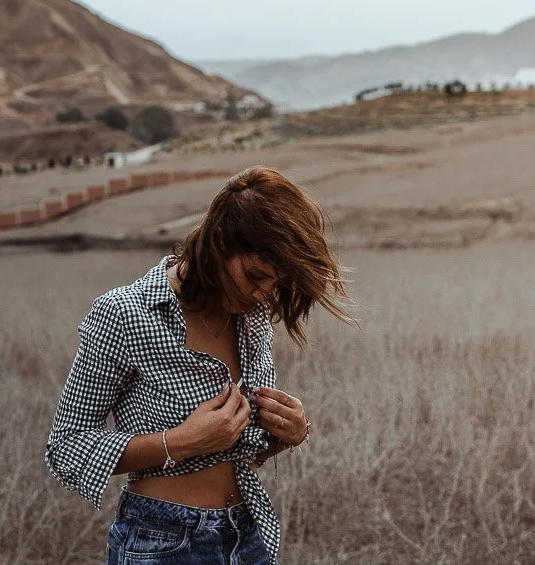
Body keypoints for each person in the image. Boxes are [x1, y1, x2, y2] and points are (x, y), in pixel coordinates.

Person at [45, 165, 355, 564]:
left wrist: (290, 433)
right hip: (162, 541)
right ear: (220, 239)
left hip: (249, 535)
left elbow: (234, 449)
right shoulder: (125, 313)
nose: (263, 293)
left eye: (275, 284)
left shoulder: (252, 319)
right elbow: (67, 445)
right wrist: (181, 441)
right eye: (256, 275)